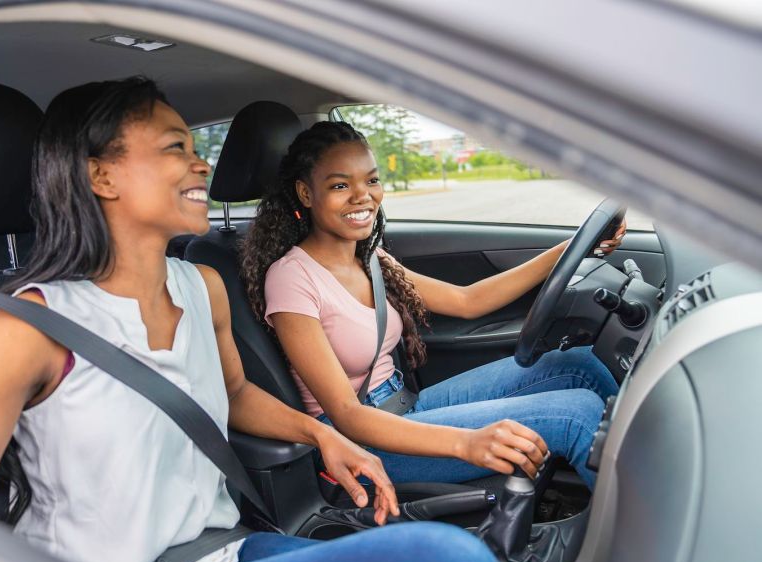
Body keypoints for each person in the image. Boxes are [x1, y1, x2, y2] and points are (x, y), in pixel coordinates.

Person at [0, 77, 541, 562]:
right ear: (101, 177)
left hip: (224, 549)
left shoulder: (201, 285)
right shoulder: (27, 328)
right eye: (173, 147)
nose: (200, 161)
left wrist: (321, 433)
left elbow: (232, 392)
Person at [242, 121, 622, 491]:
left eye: (371, 180)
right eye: (340, 185)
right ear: (306, 194)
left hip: (405, 405)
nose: (363, 196)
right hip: (361, 444)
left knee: (578, 364)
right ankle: (644, 532)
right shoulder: (291, 277)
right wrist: (466, 443)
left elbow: (467, 301)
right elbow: (348, 415)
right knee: (576, 414)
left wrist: (570, 249)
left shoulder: (370, 256)